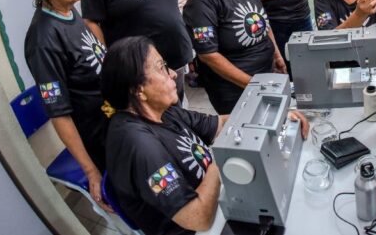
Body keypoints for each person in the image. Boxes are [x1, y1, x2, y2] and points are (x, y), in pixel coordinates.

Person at [101, 36, 308, 235]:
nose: (172, 73)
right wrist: (222, 159)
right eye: (161, 68)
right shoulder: (138, 145)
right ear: (139, 90)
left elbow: (218, 124)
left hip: (219, 194)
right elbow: (197, 218)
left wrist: (275, 117)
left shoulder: (161, 109)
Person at [24, 0, 109, 211]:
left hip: (113, 118)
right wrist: (91, 171)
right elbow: (59, 113)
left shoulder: (69, 11)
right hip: (97, 135)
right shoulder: (42, 40)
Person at [183, 0, 287, 114]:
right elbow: (209, 55)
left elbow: (262, 20)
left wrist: (277, 56)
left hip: (264, 73)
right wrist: (251, 84)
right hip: (232, 88)